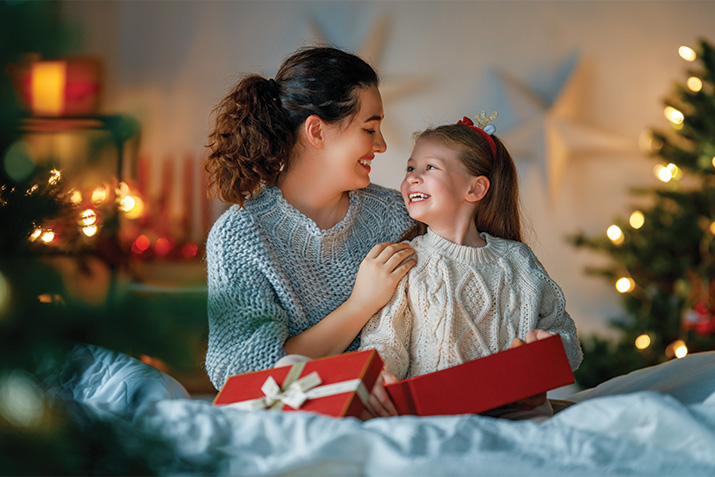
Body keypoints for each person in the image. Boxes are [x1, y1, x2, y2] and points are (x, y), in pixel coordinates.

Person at [203, 46, 417, 409]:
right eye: (370, 128)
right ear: (316, 131)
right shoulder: (239, 237)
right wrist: (360, 305)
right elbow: (248, 376)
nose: (381, 145)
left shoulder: (396, 214)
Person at [359, 113, 583, 419]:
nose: (412, 177)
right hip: (439, 418)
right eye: (410, 167)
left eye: (430, 168)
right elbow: (385, 341)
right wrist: (379, 375)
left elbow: (565, 336)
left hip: (521, 415)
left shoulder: (518, 261)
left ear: (475, 189)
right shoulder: (406, 260)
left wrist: (548, 351)